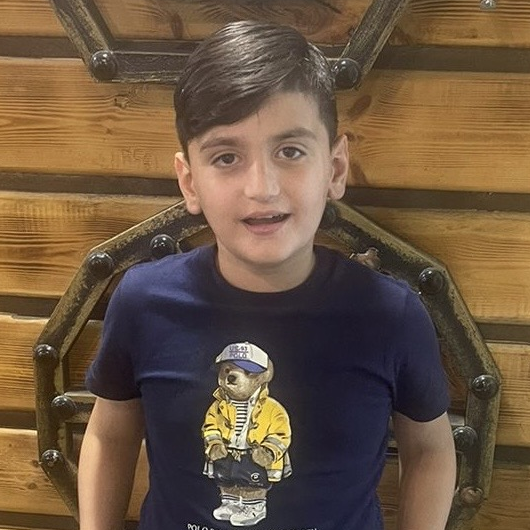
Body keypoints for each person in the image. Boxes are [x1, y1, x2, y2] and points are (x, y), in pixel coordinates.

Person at [78, 20, 456, 530]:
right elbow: (110, 435)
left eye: (290, 151)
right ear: (189, 182)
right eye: (226, 157)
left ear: (335, 169)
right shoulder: (143, 302)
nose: (262, 187)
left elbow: (430, 448)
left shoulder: (391, 315)